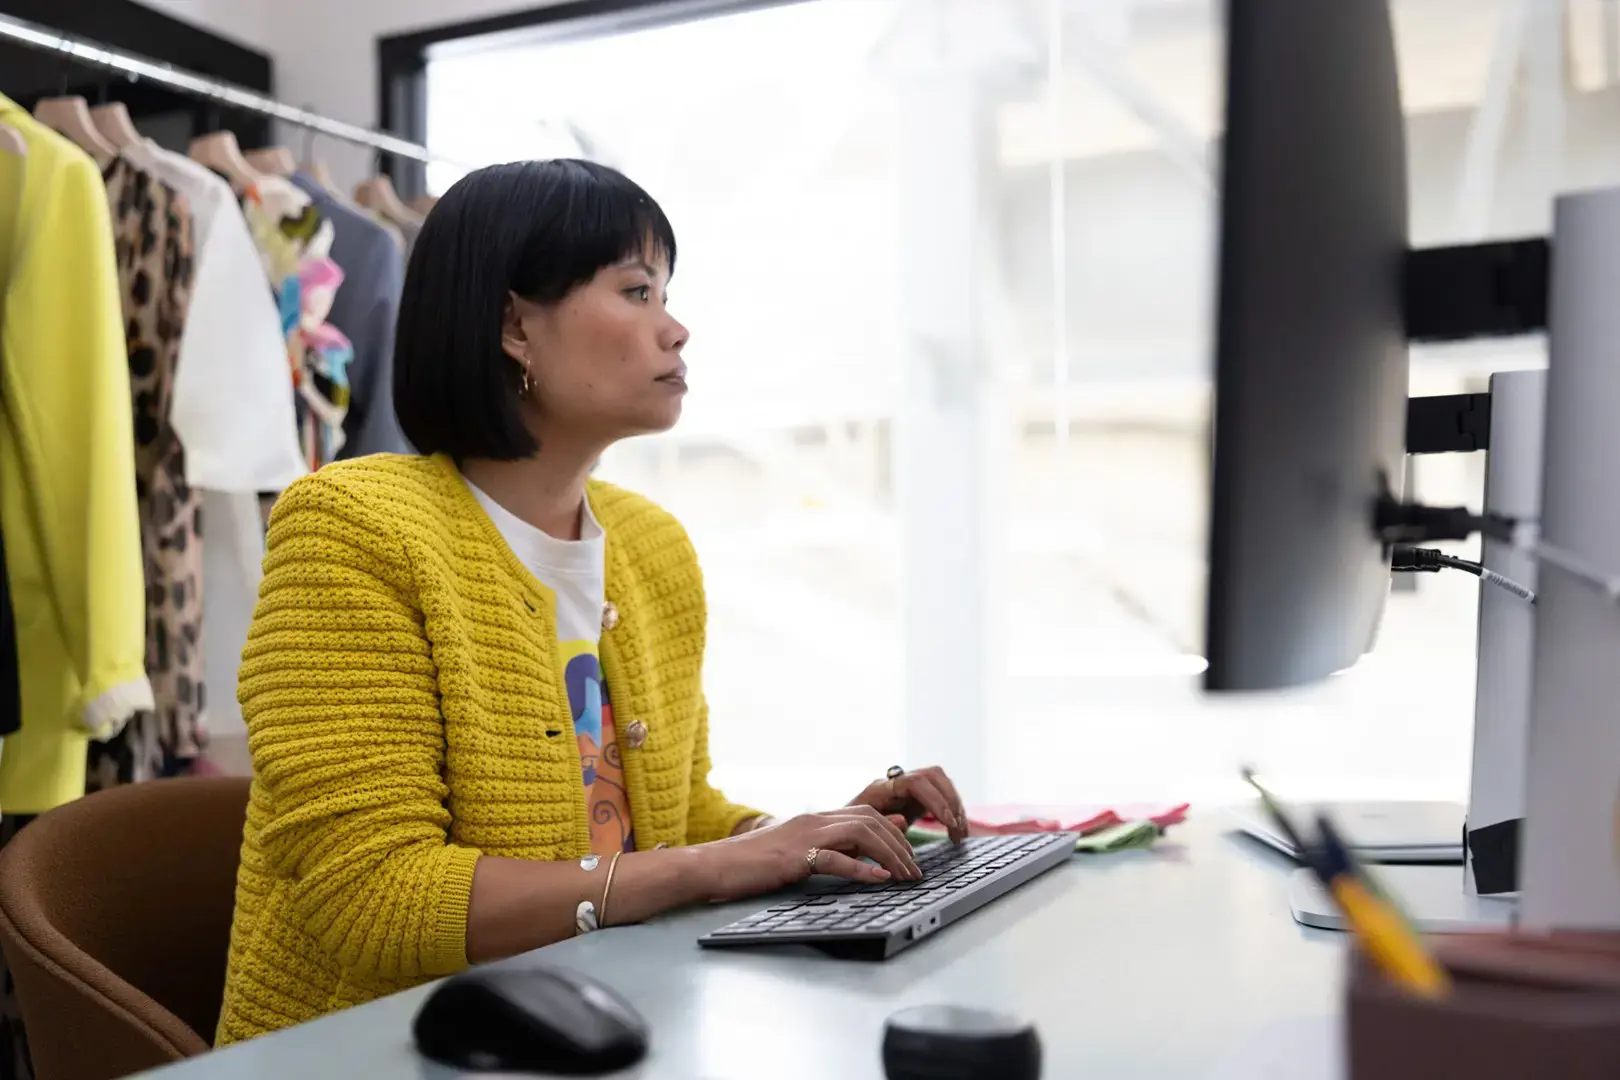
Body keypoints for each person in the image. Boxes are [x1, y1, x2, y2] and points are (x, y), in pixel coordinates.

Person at [214, 159, 971, 1045]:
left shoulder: (652, 545)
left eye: (666, 296)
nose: (675, 329)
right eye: (638, 291)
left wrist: (816, 838)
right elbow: (373, 896)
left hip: (605, 1027)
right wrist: (721, 863)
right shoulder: (353, 527)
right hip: (378, 1048)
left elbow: (677, 822)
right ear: (514, 326)